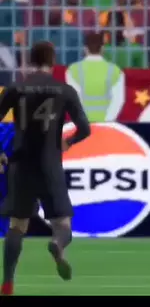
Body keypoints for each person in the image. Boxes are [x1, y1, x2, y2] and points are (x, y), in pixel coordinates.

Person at [0, 41, 91, 296]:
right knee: (63, 224)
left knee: (17, 225)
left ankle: (8, 282)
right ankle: (57, 244)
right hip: (50, 165)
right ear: (53, 62)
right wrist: (68, 142)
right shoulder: (65, 90)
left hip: (21, 165)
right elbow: (85, 129)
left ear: (30, 61)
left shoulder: (15, 88)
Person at [65, 33, 125, 123]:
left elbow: (74, 100)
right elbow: (118, 100)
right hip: (106, 125)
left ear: (85, 49)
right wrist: (106, 121)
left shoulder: (72, 70)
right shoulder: (116, 71)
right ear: (102, 49)